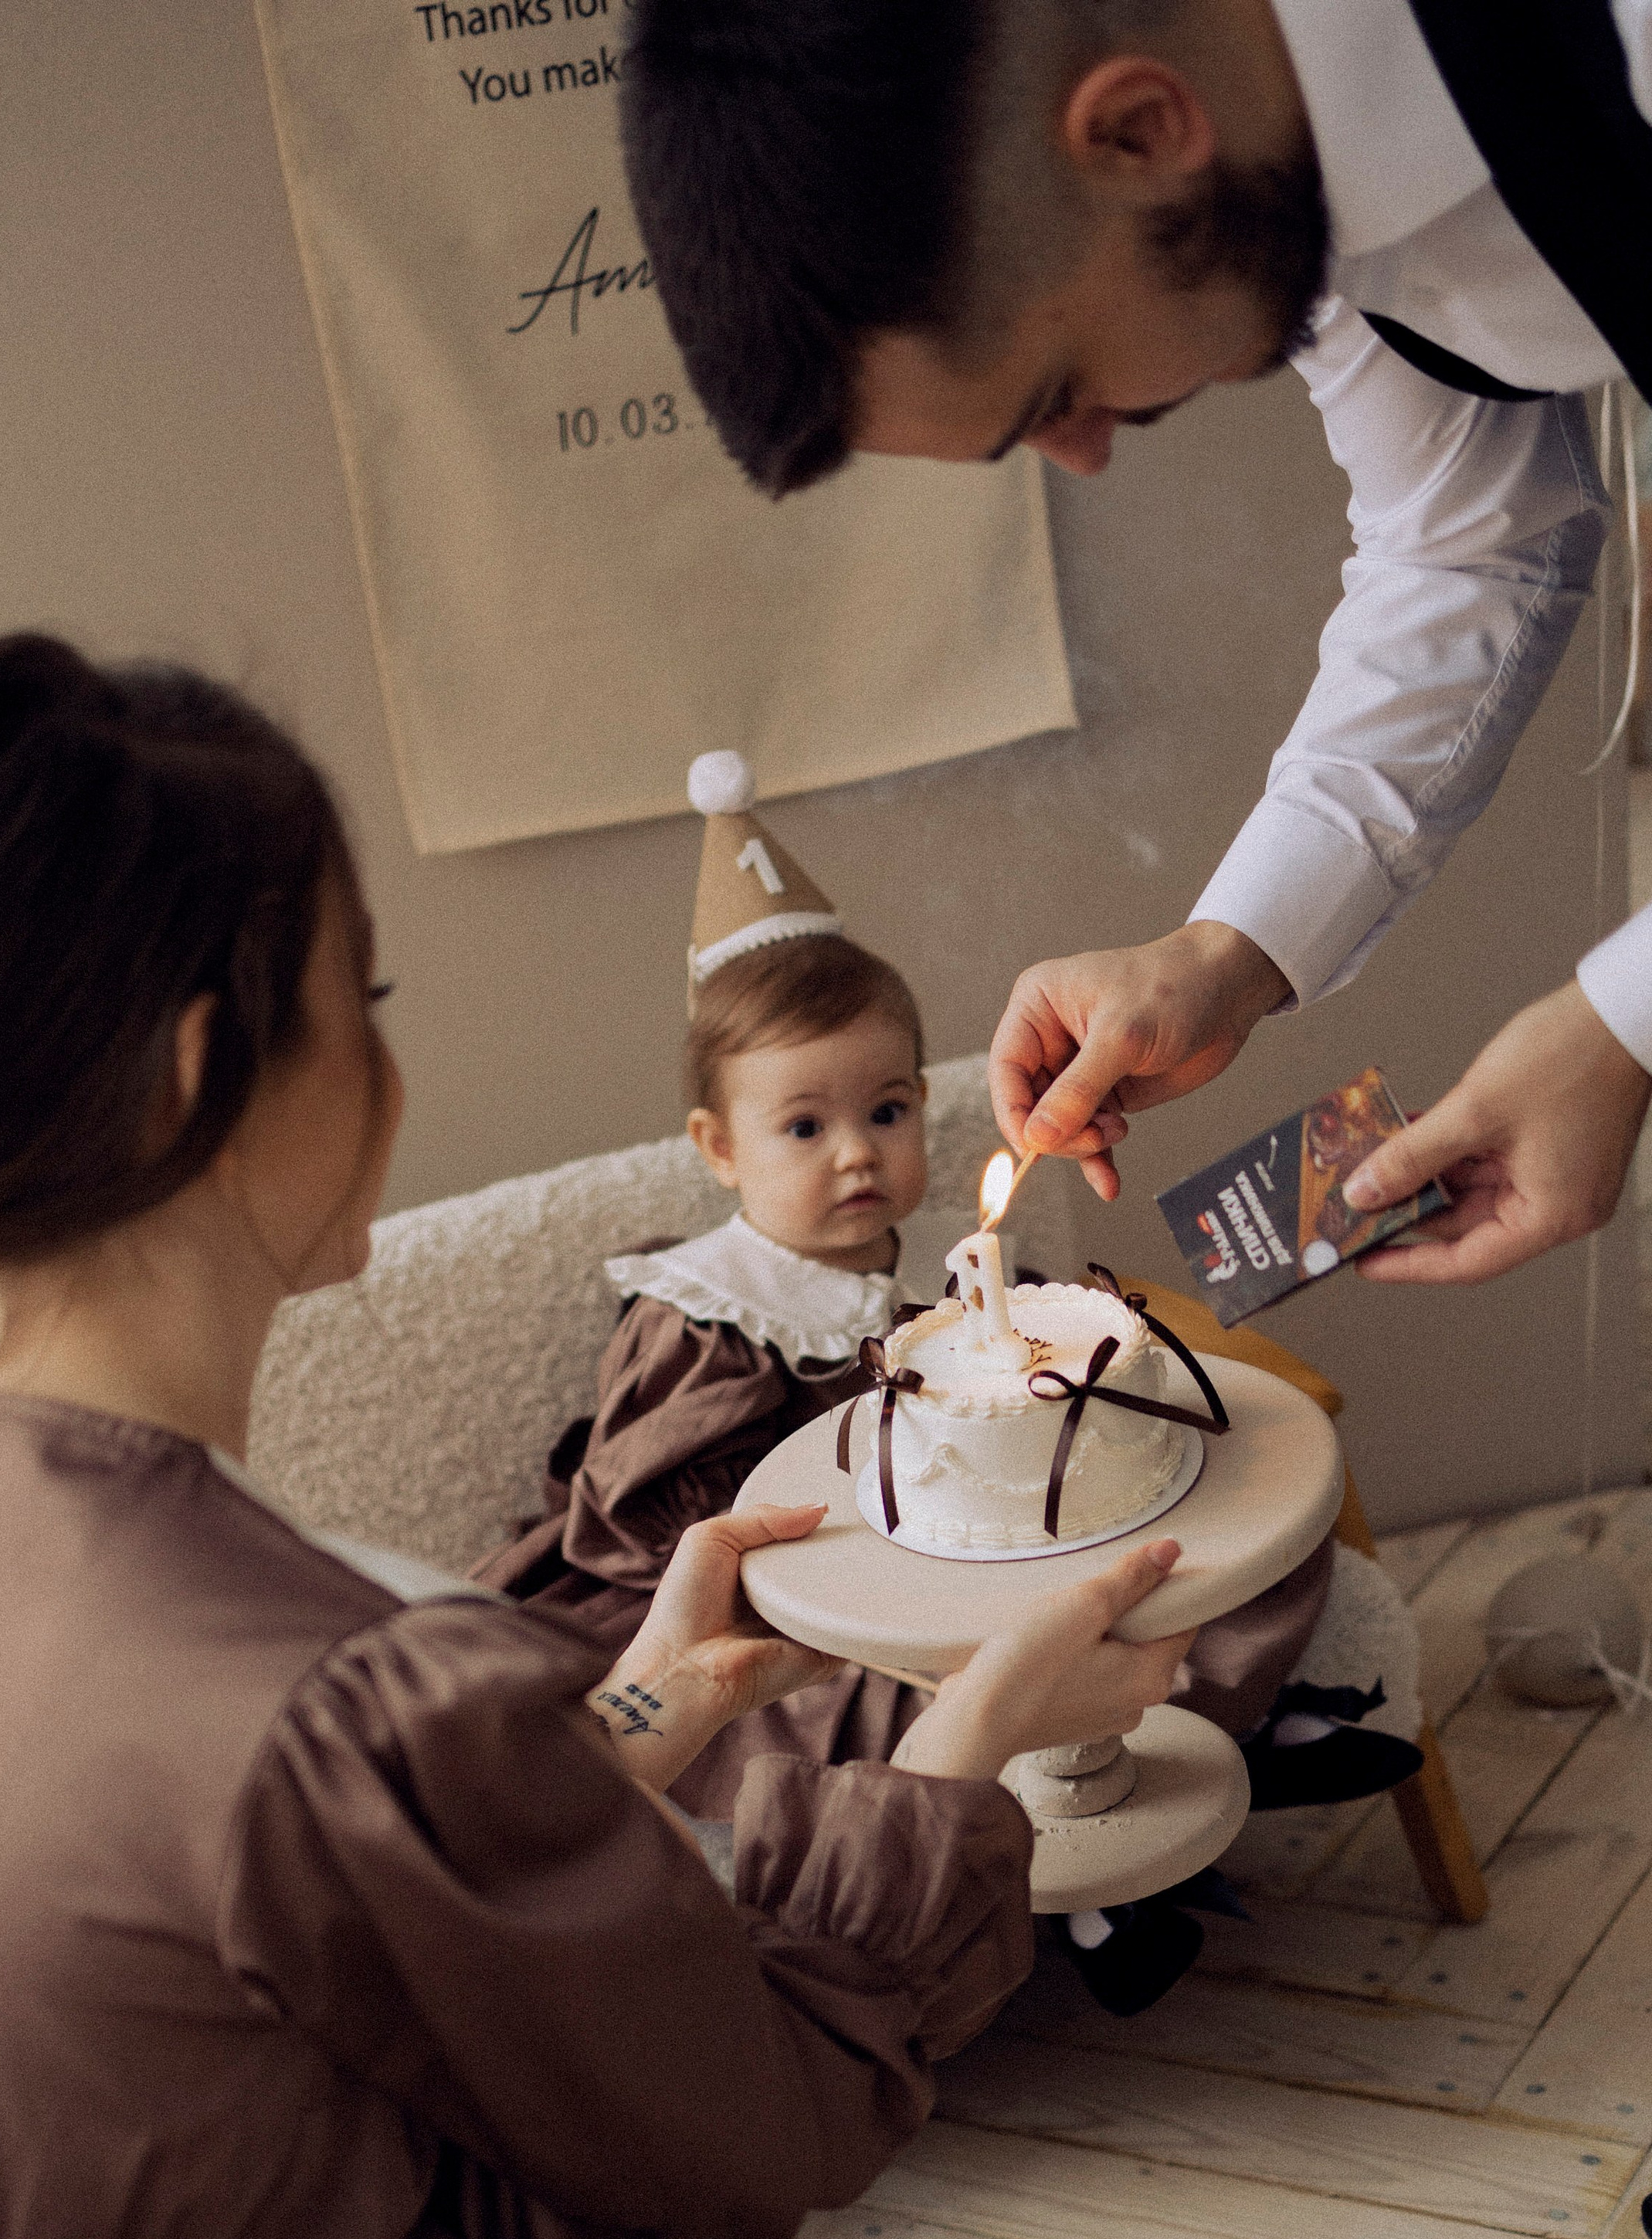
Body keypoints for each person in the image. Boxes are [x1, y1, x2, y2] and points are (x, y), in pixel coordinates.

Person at [621, 0, 1652, 2239]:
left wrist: (1625, 1015)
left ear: (1137, 126)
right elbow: (1473, 539)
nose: (1092, 444)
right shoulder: (1285, 173)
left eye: (1061, 388)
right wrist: (1237, 948)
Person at [0, 632, 1199, 2239]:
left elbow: (192, 1943)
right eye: (362, 1001)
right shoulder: (335, 1684)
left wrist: (645, 1715)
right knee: (657, 2142)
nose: (389, 1068)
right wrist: (971, 1742)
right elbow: (768, 2108)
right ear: (220, 1068)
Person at [477, 757, 1422, 2010]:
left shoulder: (958, 1264)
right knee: (867, 1704)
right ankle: (1074, 1888)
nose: (858, 1154)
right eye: (804, 1128)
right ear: (717, 1149)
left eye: (887, 1108)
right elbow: (641, 1517)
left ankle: (1217, 1741)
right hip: (813, 1580)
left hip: (1009, 1527)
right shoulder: (711, 1307)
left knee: (1226, 1526)